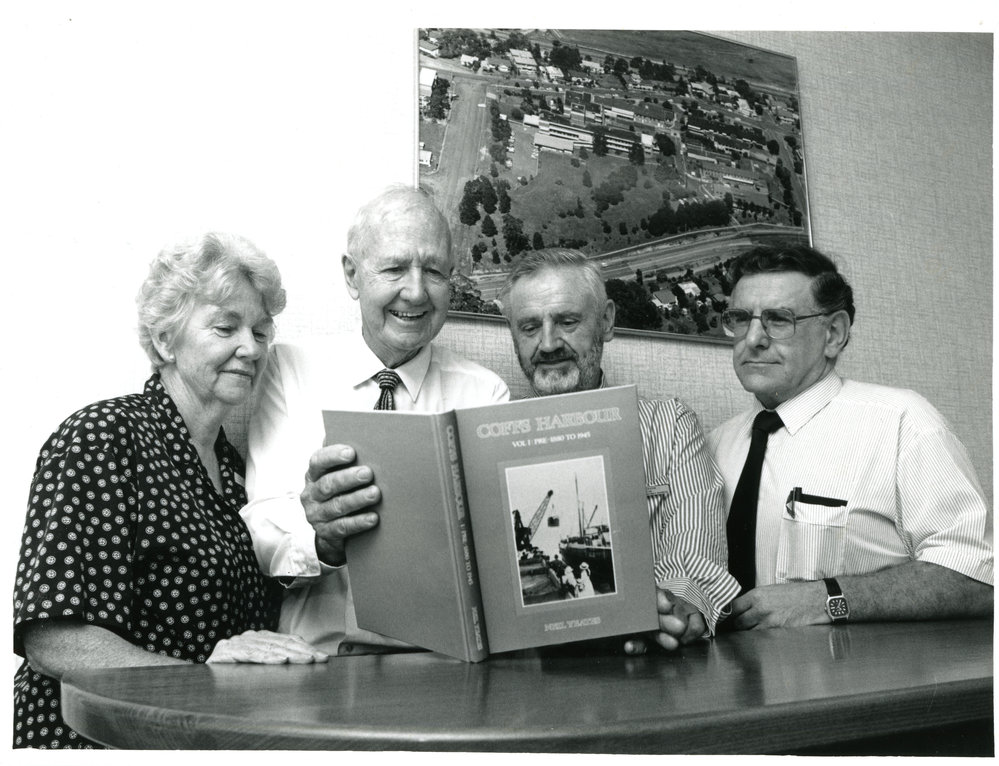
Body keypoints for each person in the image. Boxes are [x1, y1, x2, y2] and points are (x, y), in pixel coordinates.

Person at [13, 233, 327, 749]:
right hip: (94, 741)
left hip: (192, 741)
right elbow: (56, 639)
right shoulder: (103, 437)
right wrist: (202, 675)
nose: (250, 349)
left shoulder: (231, 469)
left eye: (261, 332)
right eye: (226, 327)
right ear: (165, 340)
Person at [240, 186, 509, 656]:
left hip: (443, 664)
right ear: (352, 274)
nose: (417, 291)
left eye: (435, 272)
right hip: (316, 665)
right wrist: (320, 538)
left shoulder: (485, 393)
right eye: (394, 268)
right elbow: (260, 527)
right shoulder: (287, 369)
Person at [709, 243, 993, 630]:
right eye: (740, 318)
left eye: (779, 320)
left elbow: (979, 579)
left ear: (833, 334)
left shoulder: (902, 423)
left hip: (862, 682)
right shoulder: (713, 447)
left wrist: (829, 598)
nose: (753, 338)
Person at [499, 248, 740, 652]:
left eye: (567, 321)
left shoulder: (670, 425)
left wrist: (670, 608)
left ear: (606, 321)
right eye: (528, 327)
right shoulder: (488, 442)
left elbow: (698, 559)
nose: (547, 342)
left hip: (648, 665)